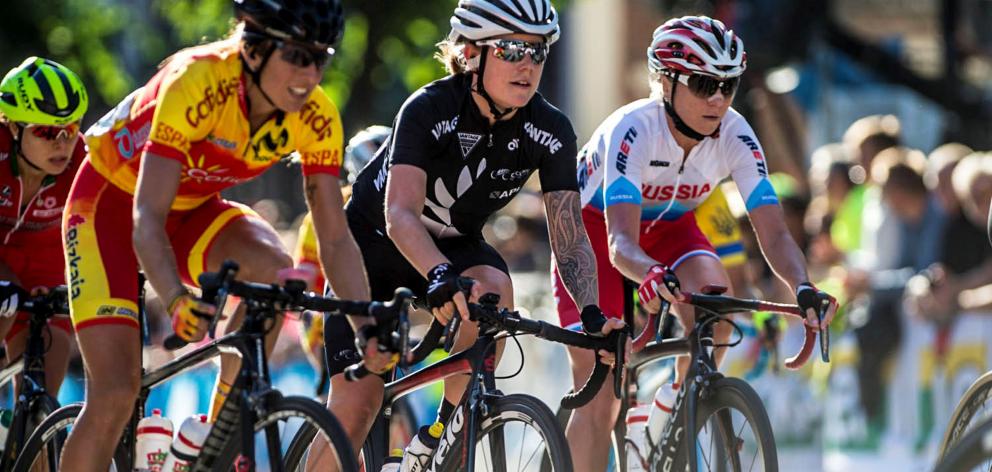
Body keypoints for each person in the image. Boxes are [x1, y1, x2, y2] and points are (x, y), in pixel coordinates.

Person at [59, 1, 390, 469]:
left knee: (277, 277)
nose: (312, 73)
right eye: (297, 55)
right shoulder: (197, 80)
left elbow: (334, 238)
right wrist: (175, 299)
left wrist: (366, 328)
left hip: (192, 210)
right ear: (254, 49)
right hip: (110, 205)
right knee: (115, 392)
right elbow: (146, 217)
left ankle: (208, 440)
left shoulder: (316, 116)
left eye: (321, 57)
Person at [326, 0, 623, 465]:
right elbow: (399, 215)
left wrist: (591, 312)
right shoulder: (429, 107)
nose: (527, 64)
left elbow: (568, 235)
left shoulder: (551, 130)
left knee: (496, 290)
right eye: (510, 49)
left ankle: (443, 433)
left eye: (538, 52)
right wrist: (441, 273)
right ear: (470, 53)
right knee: (355, 410)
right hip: (372, 249)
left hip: (451, 245)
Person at [554, 16, 838, 471]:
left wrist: (803, 287)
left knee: (716, 308)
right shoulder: (634, 128)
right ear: (665, 82)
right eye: (704, 84)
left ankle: (666, 410)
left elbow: (775, 232)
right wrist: (648, 273)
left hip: (672, 227)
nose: (719, 99)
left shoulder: (736, 133)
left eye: (728, 84)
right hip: (594, 233)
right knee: (600, 394)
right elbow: (619, 242)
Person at [0, 57, 88, 395]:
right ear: (12, 126)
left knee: (43, 394)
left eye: (71, 129)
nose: (62, 143)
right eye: (47, 131)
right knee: (4, 295)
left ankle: (29, 439)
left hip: (45, 266)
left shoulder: (81, 161)